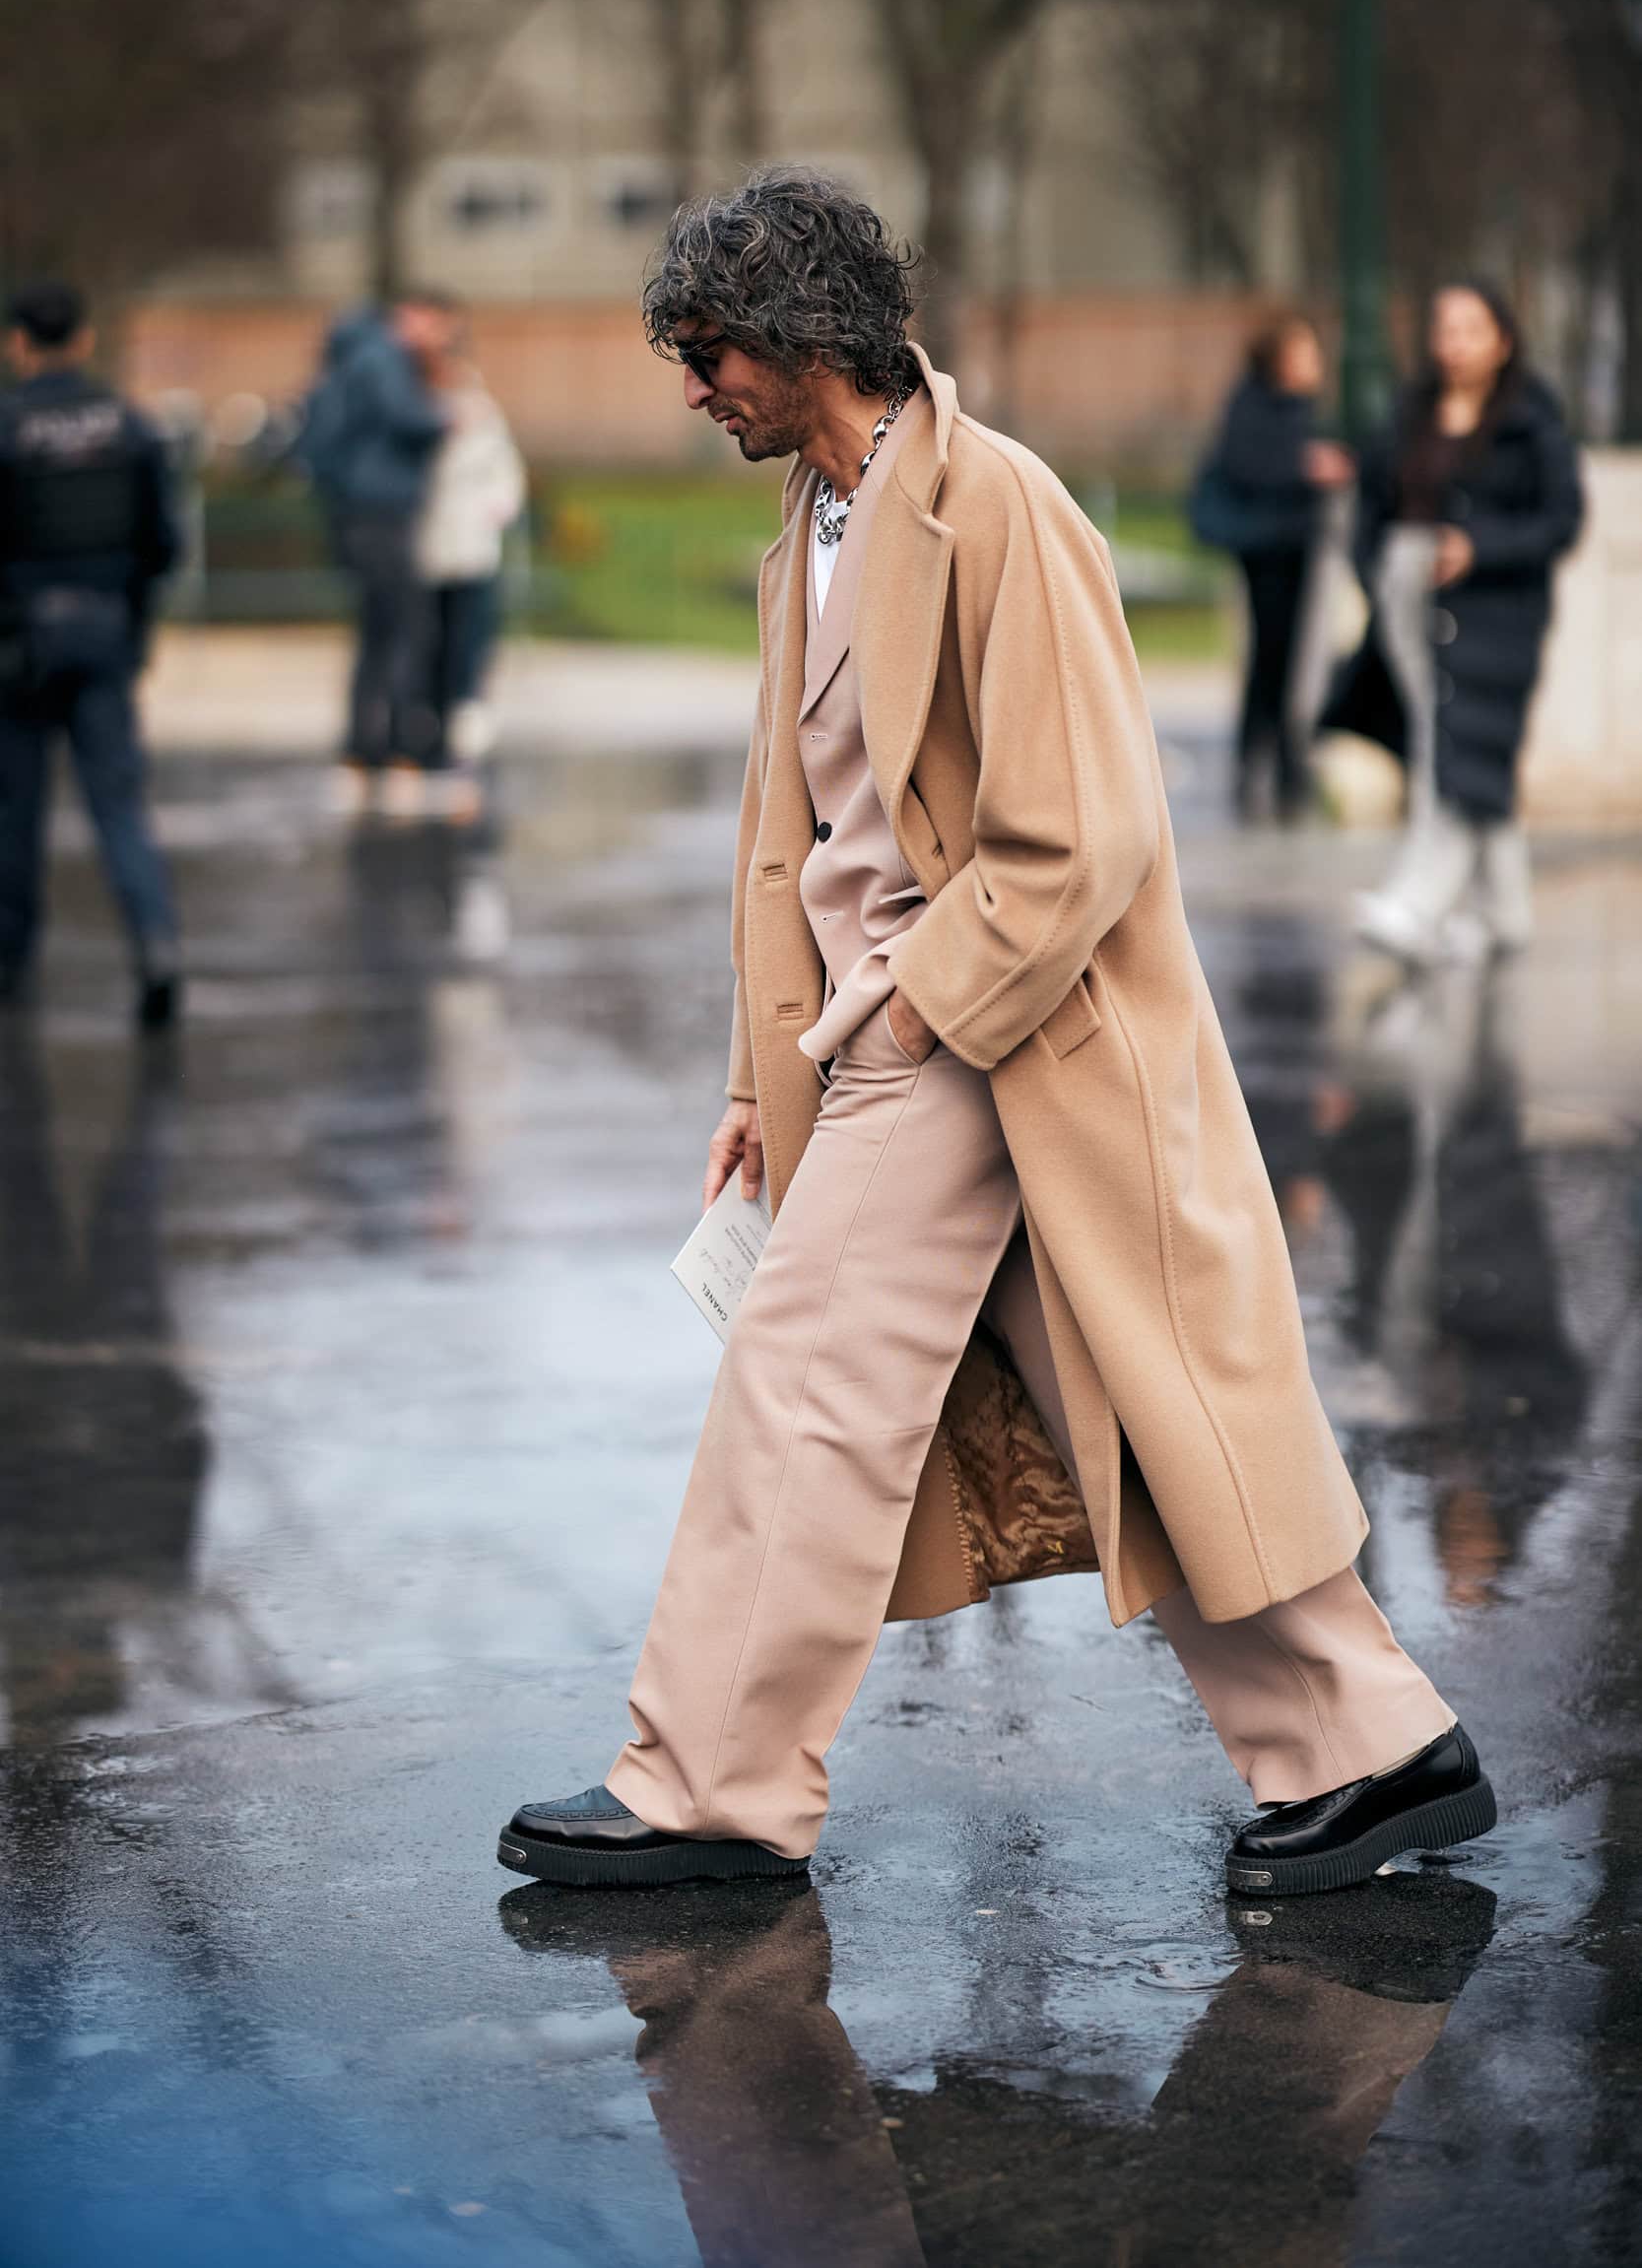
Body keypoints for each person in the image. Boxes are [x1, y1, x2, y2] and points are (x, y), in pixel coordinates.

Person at [496, 169, 1495, 1901]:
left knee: (800, 1395)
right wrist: (759, 1076)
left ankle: (706, 1786)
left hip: (976, 1032)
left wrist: (900, 1023)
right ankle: (1373, 1749)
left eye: (709, 348)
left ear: (808, 329)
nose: (690, 387)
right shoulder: (806, 528)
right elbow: (783, 837)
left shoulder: (1002, 508)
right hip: (898, 1046)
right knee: (1137, 1413)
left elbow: (1079, 836)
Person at [1348, 280, 1583, 964]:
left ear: (1502, 341)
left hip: (1496, 610)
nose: (1453, 344)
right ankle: (1504, 916)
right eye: (1444, 328)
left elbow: (1559, 519)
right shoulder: (1407, 412)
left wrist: (1480, 547)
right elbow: (1372, 504)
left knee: (1460, 753)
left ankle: (1416, 906)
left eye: (1470, 329)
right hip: (1410, 598)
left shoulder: (1531, 421)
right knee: (1444, 745)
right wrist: (1376, 571)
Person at [0, 283, 182, 1028]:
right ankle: (157, 943)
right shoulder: (129, 427)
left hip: (17, 644)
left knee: (16, 812)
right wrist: (133, 623)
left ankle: (12, 965)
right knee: (119, 807)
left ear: (17, 344)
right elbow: (163, 544)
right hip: (106, 632)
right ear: (82, 340)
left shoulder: (7, 428)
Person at [298, 291, 455, 813]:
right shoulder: (383, 359)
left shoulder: (351, 357)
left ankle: (363, 749)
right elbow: (411, 420)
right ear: (404, 317)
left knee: (376, 633)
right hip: (383, 509)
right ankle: (397, 748)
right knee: (407, 629)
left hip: (356, 510)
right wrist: (445, 415)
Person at [1202, 316, 1354, 821]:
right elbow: (1246, 465)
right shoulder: (1254, 406)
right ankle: (1265, 762)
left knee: (1290, 661)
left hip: (1296, 547)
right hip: (1267, 552)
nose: (1314, 364)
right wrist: (1304, 465)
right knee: (1271, 659)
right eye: (1304, 353)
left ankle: (1283, 762)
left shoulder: (1302, 410)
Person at [413, 325, 525, 821]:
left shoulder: (480, 411)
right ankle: (430, 733)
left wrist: (496, 507)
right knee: (430, 643)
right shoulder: (419, 410)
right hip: (428, 545)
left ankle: (464, 741)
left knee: (469, 644)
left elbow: (505, 470)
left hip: (473, 544)